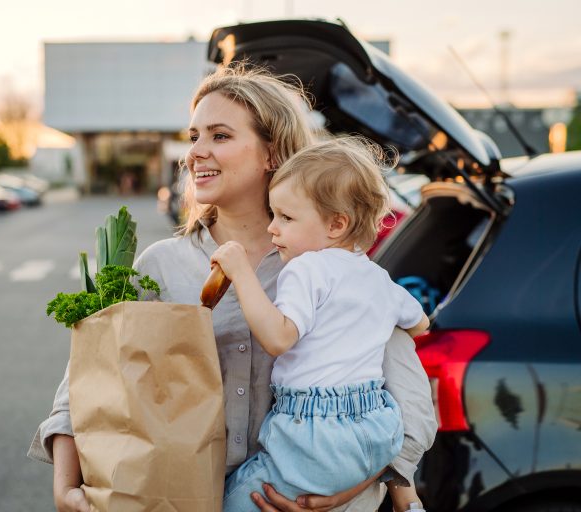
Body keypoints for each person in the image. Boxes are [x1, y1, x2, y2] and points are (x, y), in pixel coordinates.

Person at [28, 64, 437, 512]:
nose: (195, 153)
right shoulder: (161, 266)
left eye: (219, 136)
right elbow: (87, 382)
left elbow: (403, 392)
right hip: (183, 496)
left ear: (272, 154)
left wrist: (356, 487)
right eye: (193, 136)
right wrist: (65, 487)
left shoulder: (336, 267)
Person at [211, 137, 429, 511]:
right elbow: (420, 324)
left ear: (336, 224)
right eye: (274, 214)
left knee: (231, 501)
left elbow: (279, 338)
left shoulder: (306, 267)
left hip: (314, 434)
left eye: (287, 217)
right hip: (377, 428)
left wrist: (240, 271)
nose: (273, 229)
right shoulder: (378, 279)